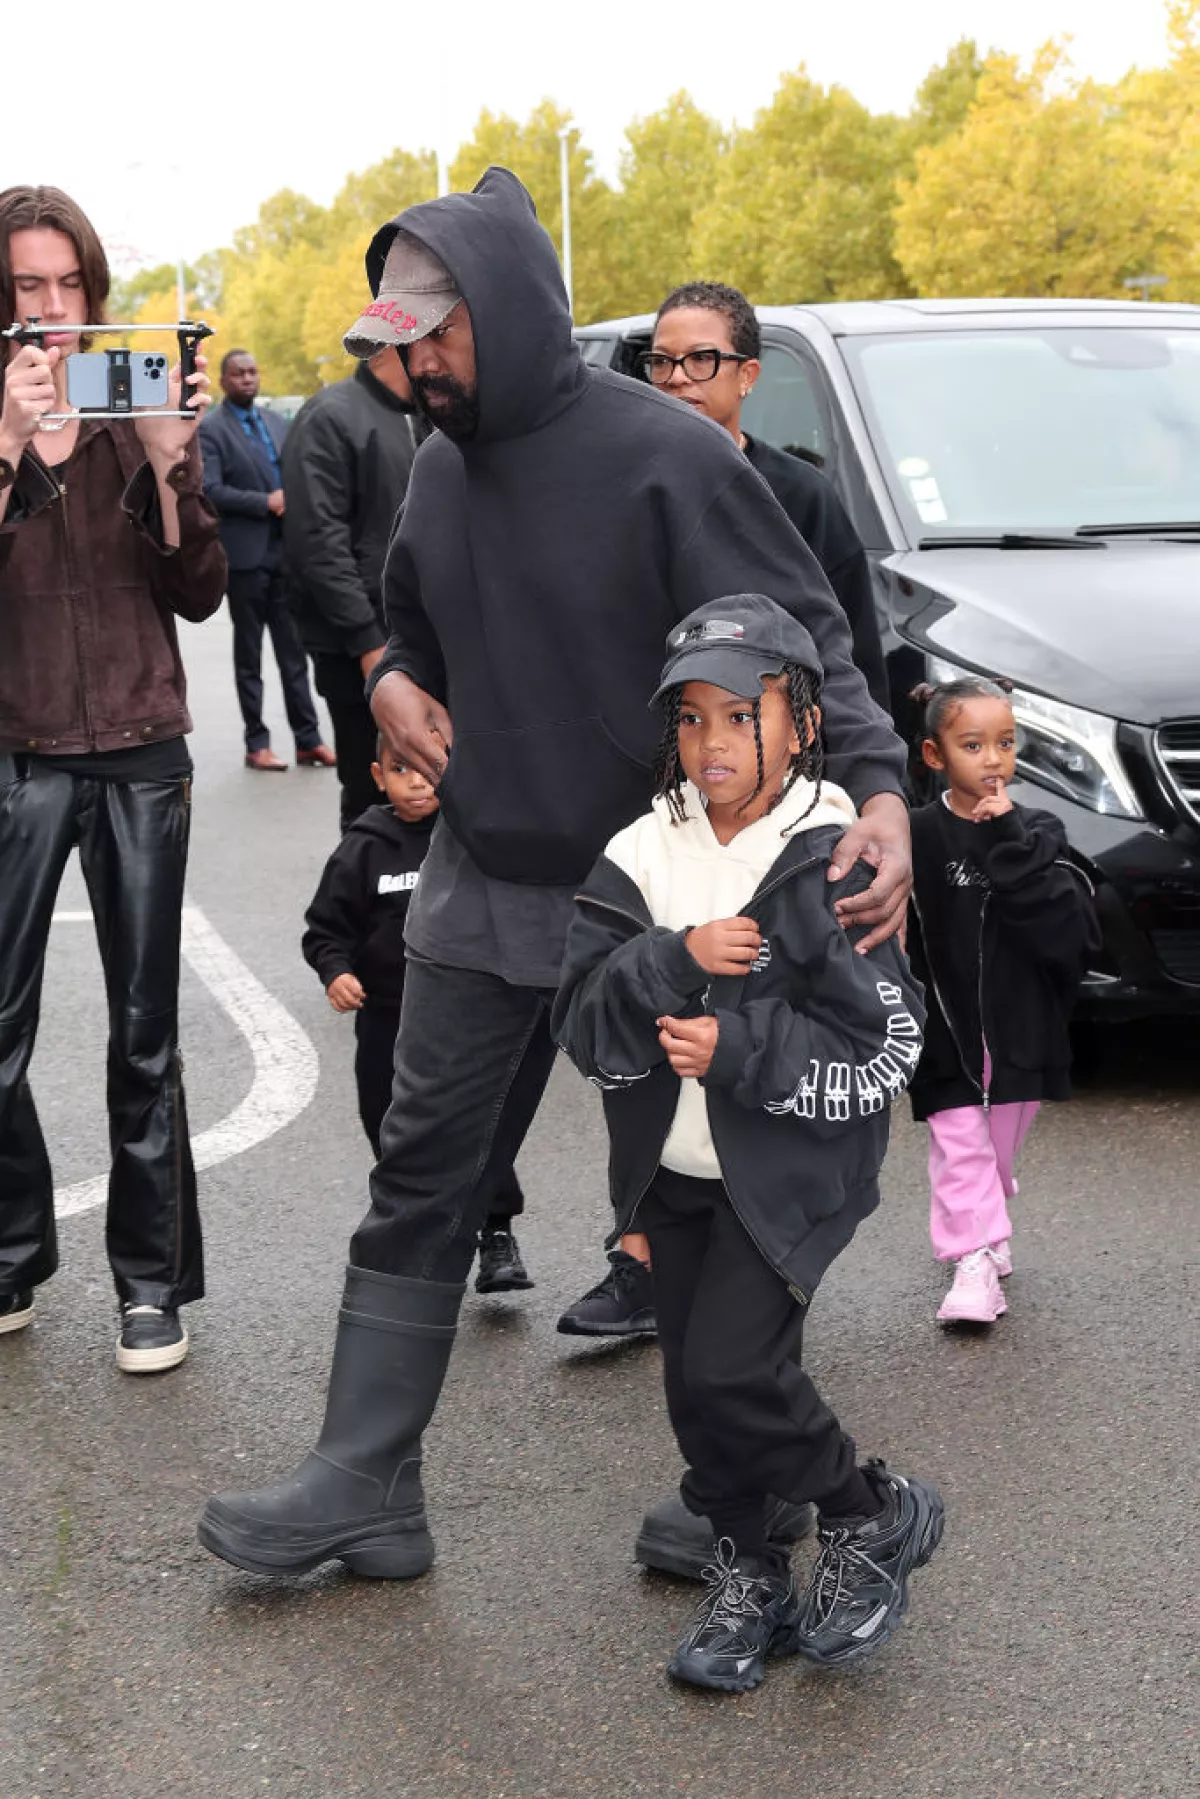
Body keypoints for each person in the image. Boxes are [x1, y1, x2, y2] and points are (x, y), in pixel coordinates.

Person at [198, 167, 913, 1587]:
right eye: (389, 345)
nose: (408, 368)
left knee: (701, 1191)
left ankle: (747, 1481)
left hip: (665, 887)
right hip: (484, 877)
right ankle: (363, 1481)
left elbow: (812, 641)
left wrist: (882, 789)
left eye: (433, 337)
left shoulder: (671, 457)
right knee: (423, 1172)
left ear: (509, 317)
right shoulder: (443, 465)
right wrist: (390, 681)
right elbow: (405, 628)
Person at [553, 594, 938, 1691]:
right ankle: (751, 1573)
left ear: (803, 719)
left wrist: (734, 1047)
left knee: (731, 1369)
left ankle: (870, 1510)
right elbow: (579, 1017)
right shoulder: (639, 851)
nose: (712, 743)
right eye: (690, 719)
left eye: (740, 714)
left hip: (788, 1175)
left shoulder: (836, 852)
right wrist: (674, 957)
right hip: (667, 1175)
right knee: (697, 1391)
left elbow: (884, 1042)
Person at [559, 277, 889, 1342]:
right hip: (661, 799)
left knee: (758, 1018)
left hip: (774, 811)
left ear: (749, 375)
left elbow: (851, 658)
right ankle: (642, 1243)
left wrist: (874, 791)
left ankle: (763, 1247)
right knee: (646, 1009)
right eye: (660, 361)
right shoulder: (616, 491)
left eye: (702, 360)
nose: (677, 380)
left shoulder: (802, 500)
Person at [0, 184, 224, 1371]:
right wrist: (6, 450)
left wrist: (165, 465)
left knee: (145, 1035)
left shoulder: (129, 403)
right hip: (14, 747)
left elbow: (199, 591)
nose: (49, 310)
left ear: (94, 292)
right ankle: (9, 1248)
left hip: (140, 747)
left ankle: (150, 1283)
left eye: (68, 285)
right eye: (26, 288)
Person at [300, 737, 544, 1290]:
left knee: (477, 1120)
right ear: (377, 775)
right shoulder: (363, 849)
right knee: (394, 1130)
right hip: (385, 1019)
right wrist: (336, 971)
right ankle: (415, 1240)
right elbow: (325, 929)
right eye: (399, 769)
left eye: (428, 770)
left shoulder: (469, 838)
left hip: (460, 1014)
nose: (416, 781)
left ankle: (496, 1233)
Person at [907, 677, 1099, 1325]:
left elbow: (1057, 926)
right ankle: (973, 1263)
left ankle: (988, 1208)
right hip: (945, 1027)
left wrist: (1010, 837)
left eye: (1005, 743)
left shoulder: (1037, 829)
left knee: (996, 1146)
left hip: (1021, 1028)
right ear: (935, 756)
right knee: (960, 1141)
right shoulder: (916, 834)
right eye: (973, 744)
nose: (993, 758)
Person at [283, 347, 426, 829]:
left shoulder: (431, 416)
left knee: (431, 794)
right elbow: (318, 543)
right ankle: (363, 900)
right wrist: (368, 642)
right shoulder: (330, 416)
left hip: (426, 642)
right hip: (358, 648)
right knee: (373, 797)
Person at [199, 350, 333, 773]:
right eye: (238, 373)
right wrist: (265, 502)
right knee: (249, 658)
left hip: (285, 555)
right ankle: (256, 743)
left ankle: (308, 741)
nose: (247, 379)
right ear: (223, 380)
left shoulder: (276, 422)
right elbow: (211, 490)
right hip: (245, 560)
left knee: (295, 655)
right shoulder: (211, 430)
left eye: (253, 372)